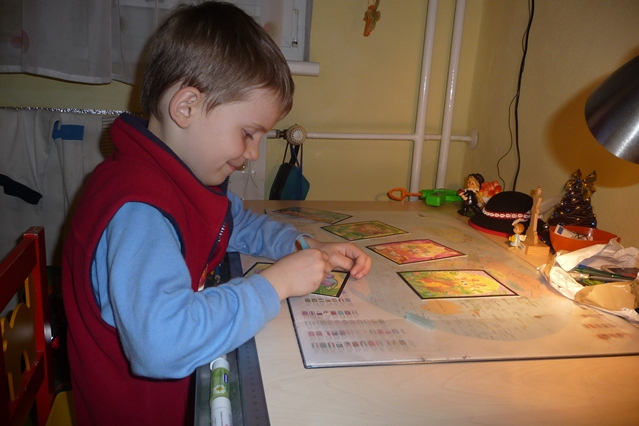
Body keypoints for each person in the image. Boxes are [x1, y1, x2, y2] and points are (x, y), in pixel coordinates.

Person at [61, 2, 371, 425]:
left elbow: (232, 220)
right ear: (186, 107)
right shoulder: (139, 209)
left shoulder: (174, 173)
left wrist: (302, 245)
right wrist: (274, 284)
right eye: (248, 133)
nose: (252, 154)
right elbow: (162, 346)